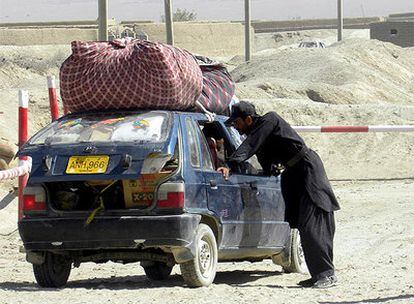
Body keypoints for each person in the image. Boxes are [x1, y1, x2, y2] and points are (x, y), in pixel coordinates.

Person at [217, 101, 340, 288]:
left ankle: (327, 274)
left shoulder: (269, 120)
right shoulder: (260, 136)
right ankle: (318, 275)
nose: (236, 128)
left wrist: (230, 164)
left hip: (307, 170)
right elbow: (266, 164)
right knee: (302, 225)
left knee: (313, 223)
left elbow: (249, 145)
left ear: (249, 119)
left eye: (238, 123)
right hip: (293, 175)